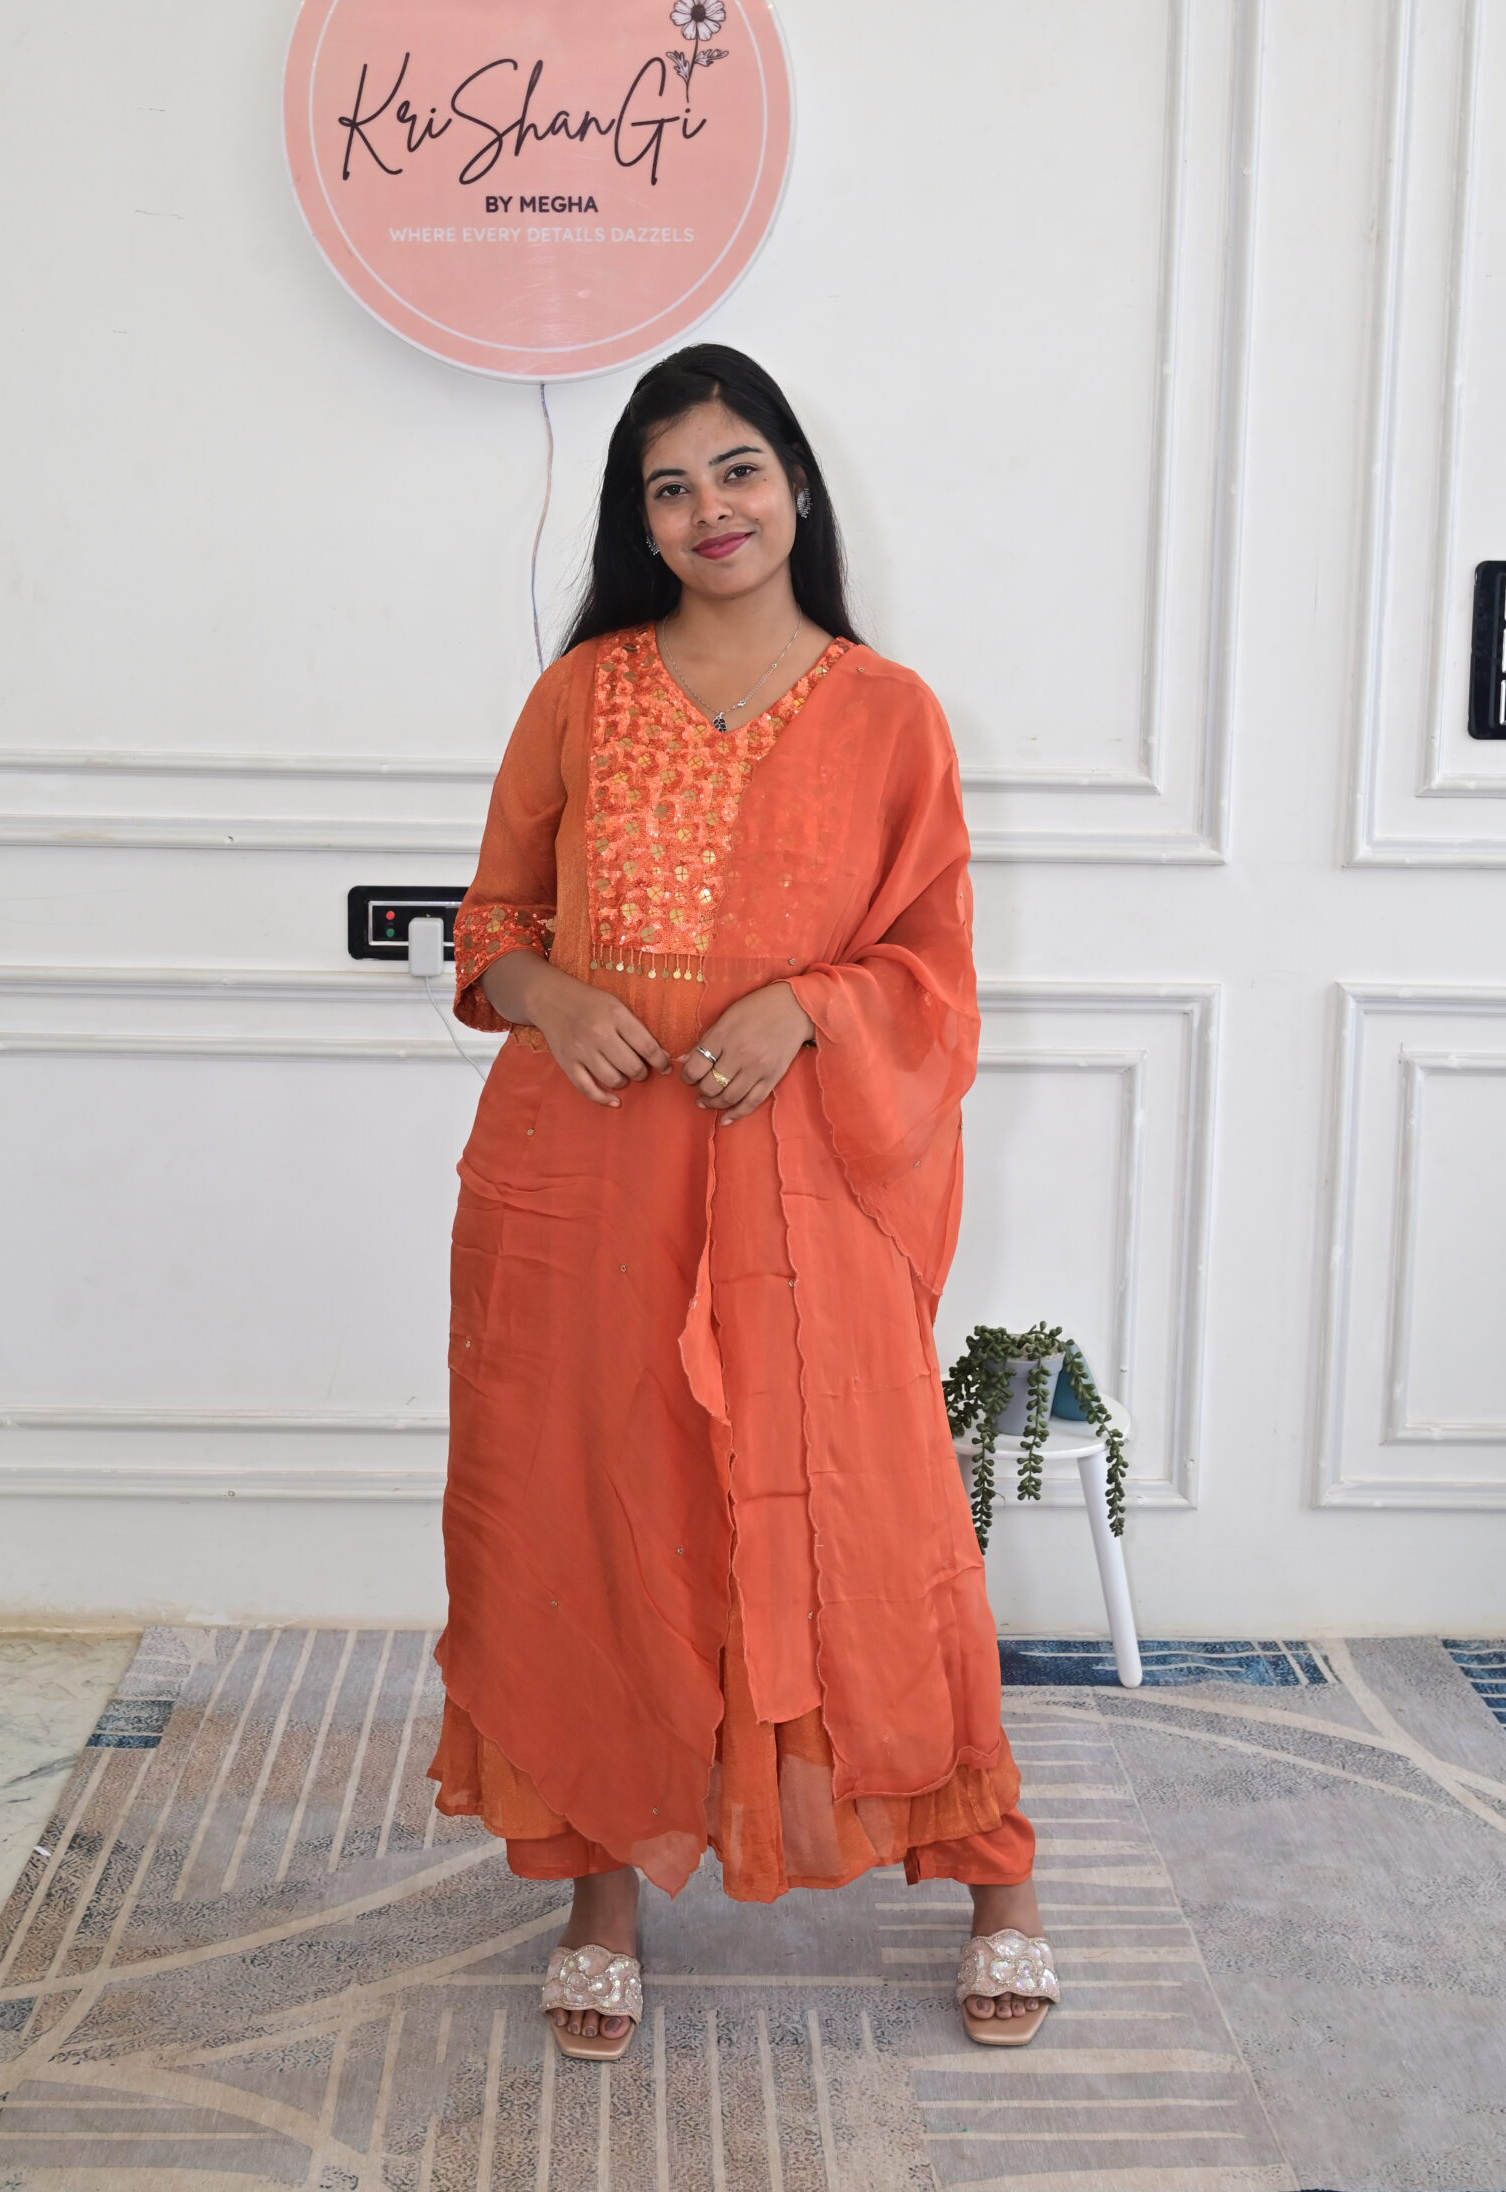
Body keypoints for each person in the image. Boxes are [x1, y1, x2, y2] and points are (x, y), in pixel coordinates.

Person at [428, 343, 1058, 2057]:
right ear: (637, 524)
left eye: (736, 470)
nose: (709, 509)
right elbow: (492, 924)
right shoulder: (581, 693)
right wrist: (548, 995)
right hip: (589, 1180)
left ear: (796, 487)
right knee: (592, 1511)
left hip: (801, 1186)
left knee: (867, 1517)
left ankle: (991, 1869)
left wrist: (811, 1006)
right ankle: (599, 1890)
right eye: (669, 486)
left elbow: (933, 966)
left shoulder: (888, 711)